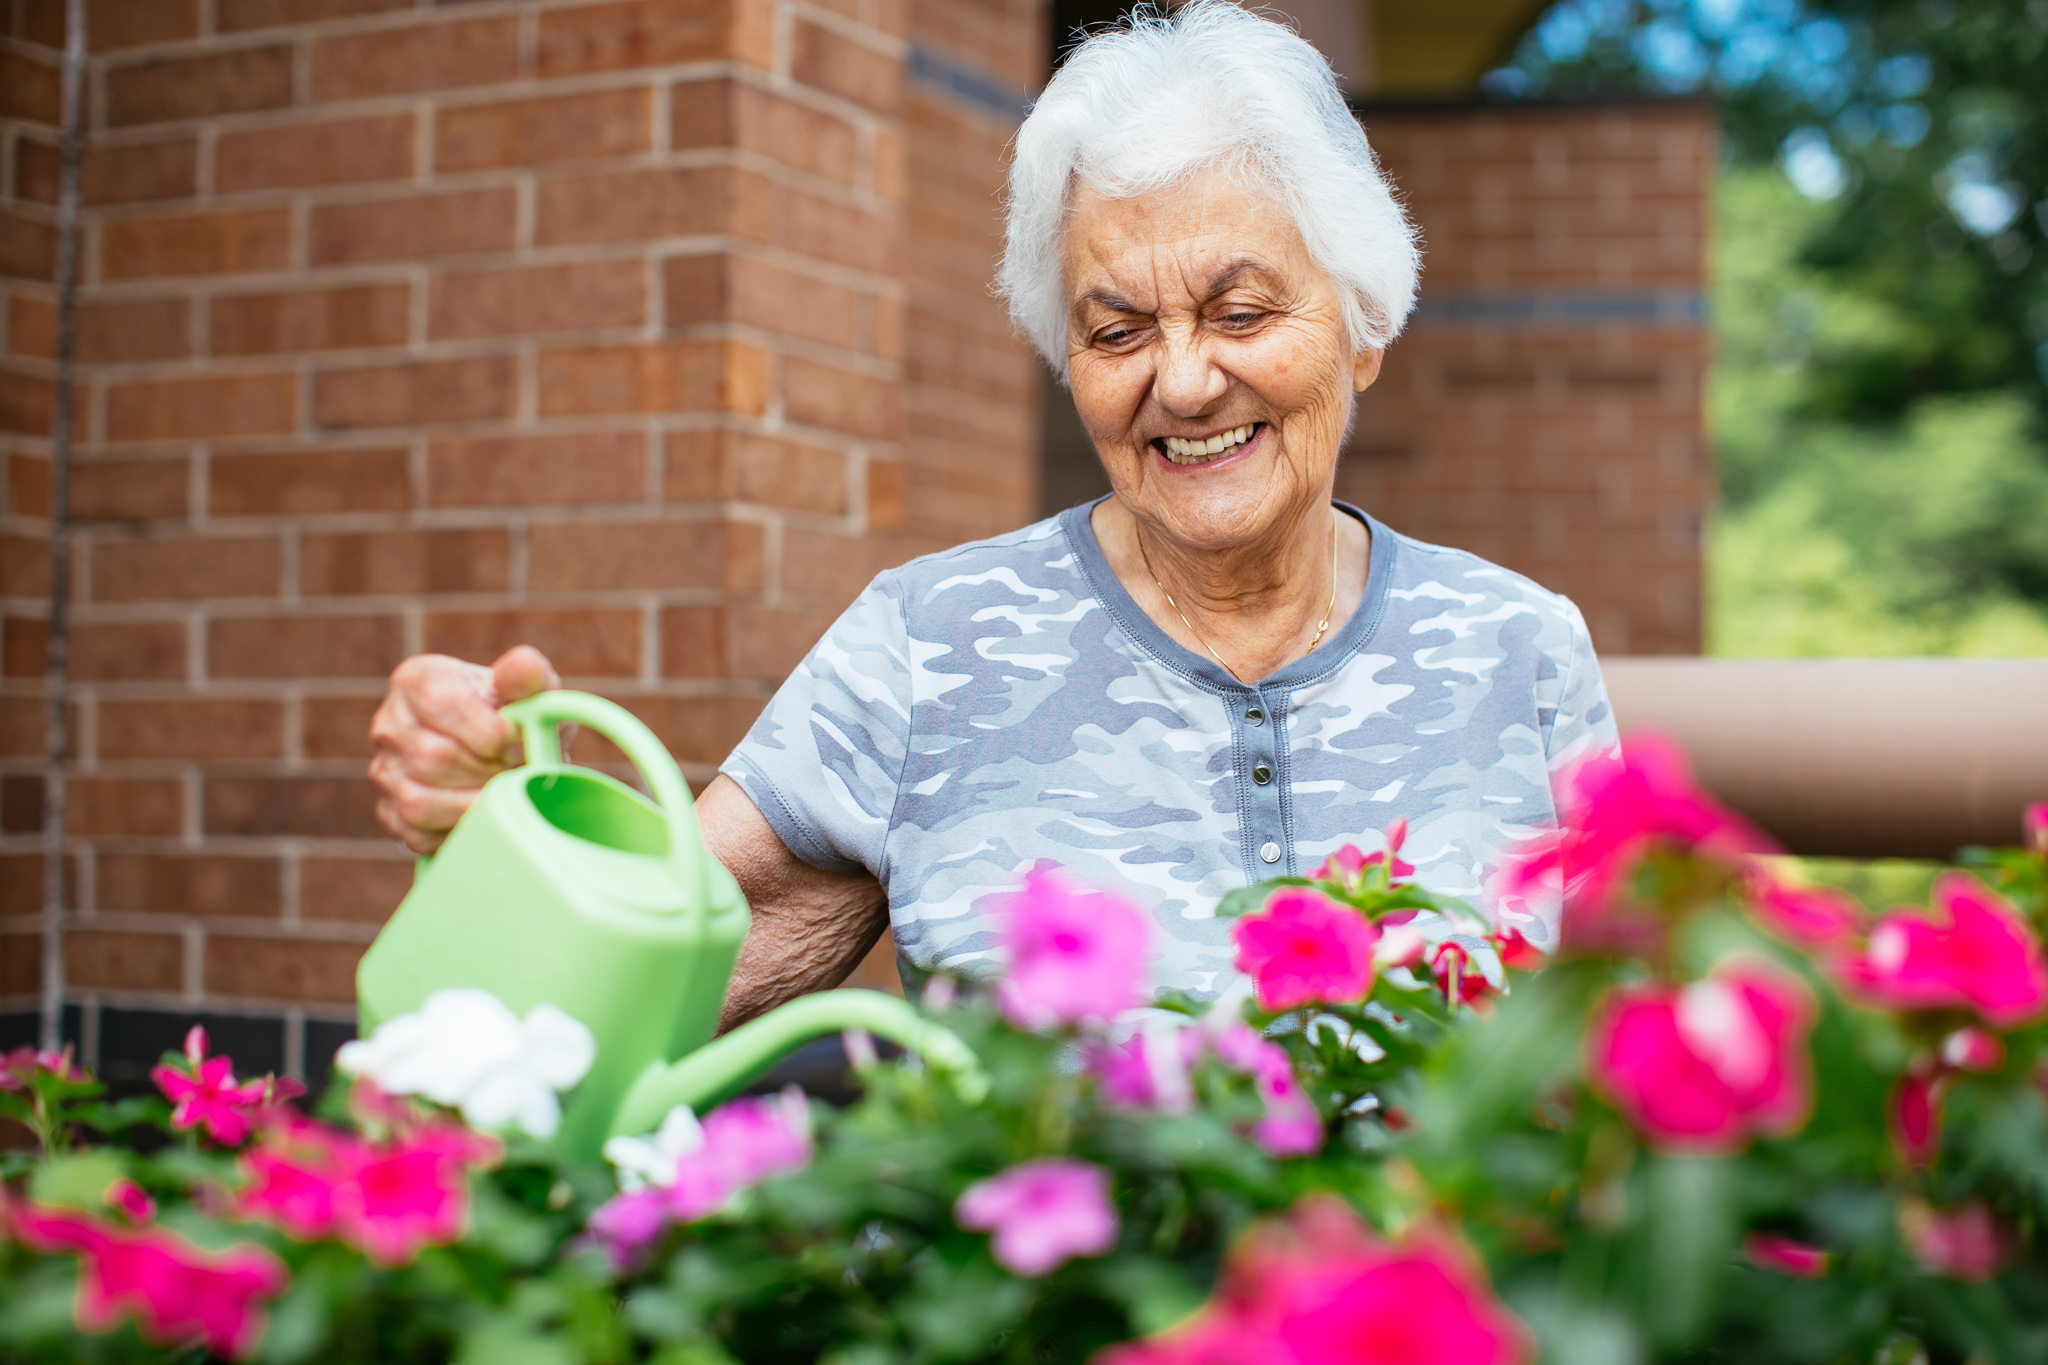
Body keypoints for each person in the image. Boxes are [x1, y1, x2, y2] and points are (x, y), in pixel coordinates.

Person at [368, 1, 1617, 1028]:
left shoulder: (1520, 651)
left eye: (1239, 315)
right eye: (1115, 329)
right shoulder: (931, 641)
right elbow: (646, 968)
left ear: (1361, 325)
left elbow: (1633, 1059)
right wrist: (514, 824)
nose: (1180, 381)